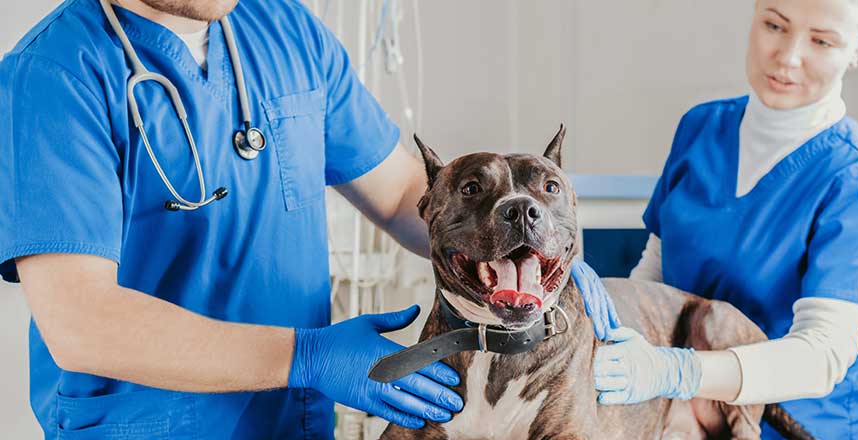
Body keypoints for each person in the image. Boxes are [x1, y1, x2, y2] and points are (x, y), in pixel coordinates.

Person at [0, 0, 617, 438]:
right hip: (146, 428)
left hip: (290, 424)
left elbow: (410, 194)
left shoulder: (286, 29)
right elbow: (83, 325)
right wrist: (307, 358)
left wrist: (530, 256)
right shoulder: (54, 74)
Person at [592, 0, 858, 438]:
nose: (788, 56)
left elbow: (822, 356)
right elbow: (653, 275)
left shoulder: (855, 177)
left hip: (797, 425)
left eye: (821, 40)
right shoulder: (701, 128)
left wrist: (677, 371)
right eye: (774, 25)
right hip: (681, 420)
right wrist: (609, 343)